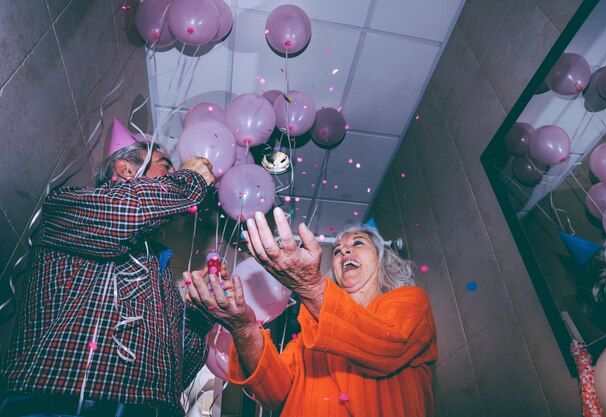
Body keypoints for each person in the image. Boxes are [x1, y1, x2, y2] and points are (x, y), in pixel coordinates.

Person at [0, 142, 220, 417]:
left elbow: (175, 377)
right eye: (166, 166)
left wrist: (200, 314)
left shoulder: (160, 266)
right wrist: (191, 179)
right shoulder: (70, 203)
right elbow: (125, 215)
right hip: (59, 403)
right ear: (126, 169)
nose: (174, 174)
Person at [185, 207, 438, 417]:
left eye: (357, 243)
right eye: (337, 250)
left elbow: (385, 343)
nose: (343, 251)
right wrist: (244, 327)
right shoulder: (310, 335)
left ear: (383, 259)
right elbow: (274, 393)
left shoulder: (409, 301)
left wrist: (308, 285)